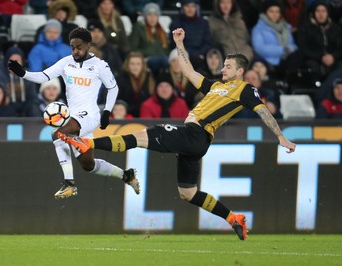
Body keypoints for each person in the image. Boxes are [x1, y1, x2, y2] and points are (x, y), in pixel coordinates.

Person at [58, 27, 297, 241]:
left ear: (241, 70)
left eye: (228, 66)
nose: (223, 68)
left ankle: (87, 142)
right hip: (196, 141)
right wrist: (179, 44)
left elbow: (263, 110)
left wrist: (280, 136)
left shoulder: (244, 89)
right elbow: (189, 71)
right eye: (223, 64)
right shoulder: (215, 87)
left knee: (143, 135)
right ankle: (233, 218)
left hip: (196, 133)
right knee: (188, 192)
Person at [7, 27, 140, 199]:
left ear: (89, 45)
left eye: (79, 47)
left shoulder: (100, 66)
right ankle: (127, 175)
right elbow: (43, 76)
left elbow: (113, 88)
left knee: (58, 135)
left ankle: (69, 184)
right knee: (88, 165)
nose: (75, 51)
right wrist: (23, 73)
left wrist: (107, 111)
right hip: (74, 117)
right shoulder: (65, 63)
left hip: (90, 115)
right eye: (72, 47)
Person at [251, 0, 299, 79]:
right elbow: (259, 48)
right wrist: (283, 50)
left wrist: (292, 48)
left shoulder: (285, 27)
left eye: (277, 12)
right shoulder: (258, 29)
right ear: (266, 12)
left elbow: (292, 44)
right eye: (271, 11)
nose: (275, 14)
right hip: (269, 61)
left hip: (287, 60)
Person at [297, 1, 342, 82]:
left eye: (323, 11)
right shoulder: (305, 28)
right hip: (313, 60)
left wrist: (333, 57)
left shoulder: (336, 29)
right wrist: (321, 57)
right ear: (313, 13)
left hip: (333, 60)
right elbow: (303, 49)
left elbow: (339, 48)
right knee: (312, 67)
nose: (321, 14)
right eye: (318, 11)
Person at [0, 46, 39, 117]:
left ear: (22, 62)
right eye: (11, 60)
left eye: (18, 60)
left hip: (25, 108)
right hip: (6, 107)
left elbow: (33, 97)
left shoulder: (28, 74)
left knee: (34, 108)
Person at [169, 0, 212, 71]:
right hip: (183, 55)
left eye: (193, 6)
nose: (190, 9)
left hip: (201, 56)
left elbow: (208, 43)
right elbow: (174, 44)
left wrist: (200, 53)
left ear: (197, 8)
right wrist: (190, 54)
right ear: (183, 7)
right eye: (187, 6)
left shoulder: (204, 23)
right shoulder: (175, 24)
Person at [129, 2, 170, 76]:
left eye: (155, 15)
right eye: (149, 15)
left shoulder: (161, 30)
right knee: (164, 61)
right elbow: (133, 48)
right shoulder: (138, 28)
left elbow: (166, 48)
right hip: (146, 59)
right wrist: (149, 53)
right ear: (145, 16)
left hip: (161, 58)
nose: (152, 18)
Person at [116, 51, 156, 117]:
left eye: (138, 64)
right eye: (132, 64)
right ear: (127, 65)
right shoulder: (120, 79)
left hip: (145, 113)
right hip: (126, 114)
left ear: (142, 65)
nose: (135, 67)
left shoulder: (149, 78)